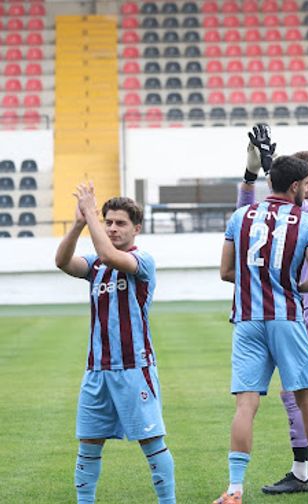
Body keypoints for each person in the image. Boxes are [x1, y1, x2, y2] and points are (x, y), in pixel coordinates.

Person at [216, 155, 308, 503]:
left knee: (245, 405)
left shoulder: (240, 217)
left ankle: (234, 490)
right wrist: (286, 286)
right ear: (297, 186)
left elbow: (226, 272)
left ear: (271, 183)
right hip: (286, 318)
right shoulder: (305, 222)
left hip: (247, 320)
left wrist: (257, 282)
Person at [236, 125, 308, 494]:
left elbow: (282, 208)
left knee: (299, 392)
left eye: (306, 176)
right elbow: (256, 214)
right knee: (296, 393)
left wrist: (272, 177)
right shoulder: (294, 207)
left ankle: (306, 471)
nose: (302, 183)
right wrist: (254, 177)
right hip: (285, 308)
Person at [55, 184, 176, 504]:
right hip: (97, 370)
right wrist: (80, 223)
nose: (112, 227)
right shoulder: (95, 264)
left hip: (134, 367)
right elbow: (63, 261)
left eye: (120, 223)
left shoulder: (142, 260)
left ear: (136, 229)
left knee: (151, 441)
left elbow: (110, 254)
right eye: (108, 221)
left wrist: (91, 213)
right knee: (89, 443)